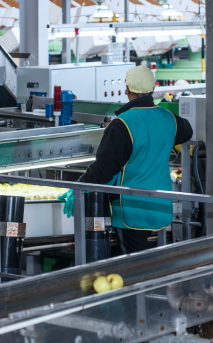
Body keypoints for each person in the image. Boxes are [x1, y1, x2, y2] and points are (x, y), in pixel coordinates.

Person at [68, 65, 192, 254]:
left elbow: (104, 169)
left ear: (127, 89)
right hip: (160, 204)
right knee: (151, 260)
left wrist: (79, 186)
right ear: (152, 89)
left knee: (131, 264)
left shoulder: (122, 123)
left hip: (132, 208)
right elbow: (187, 131)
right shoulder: (170, 119)